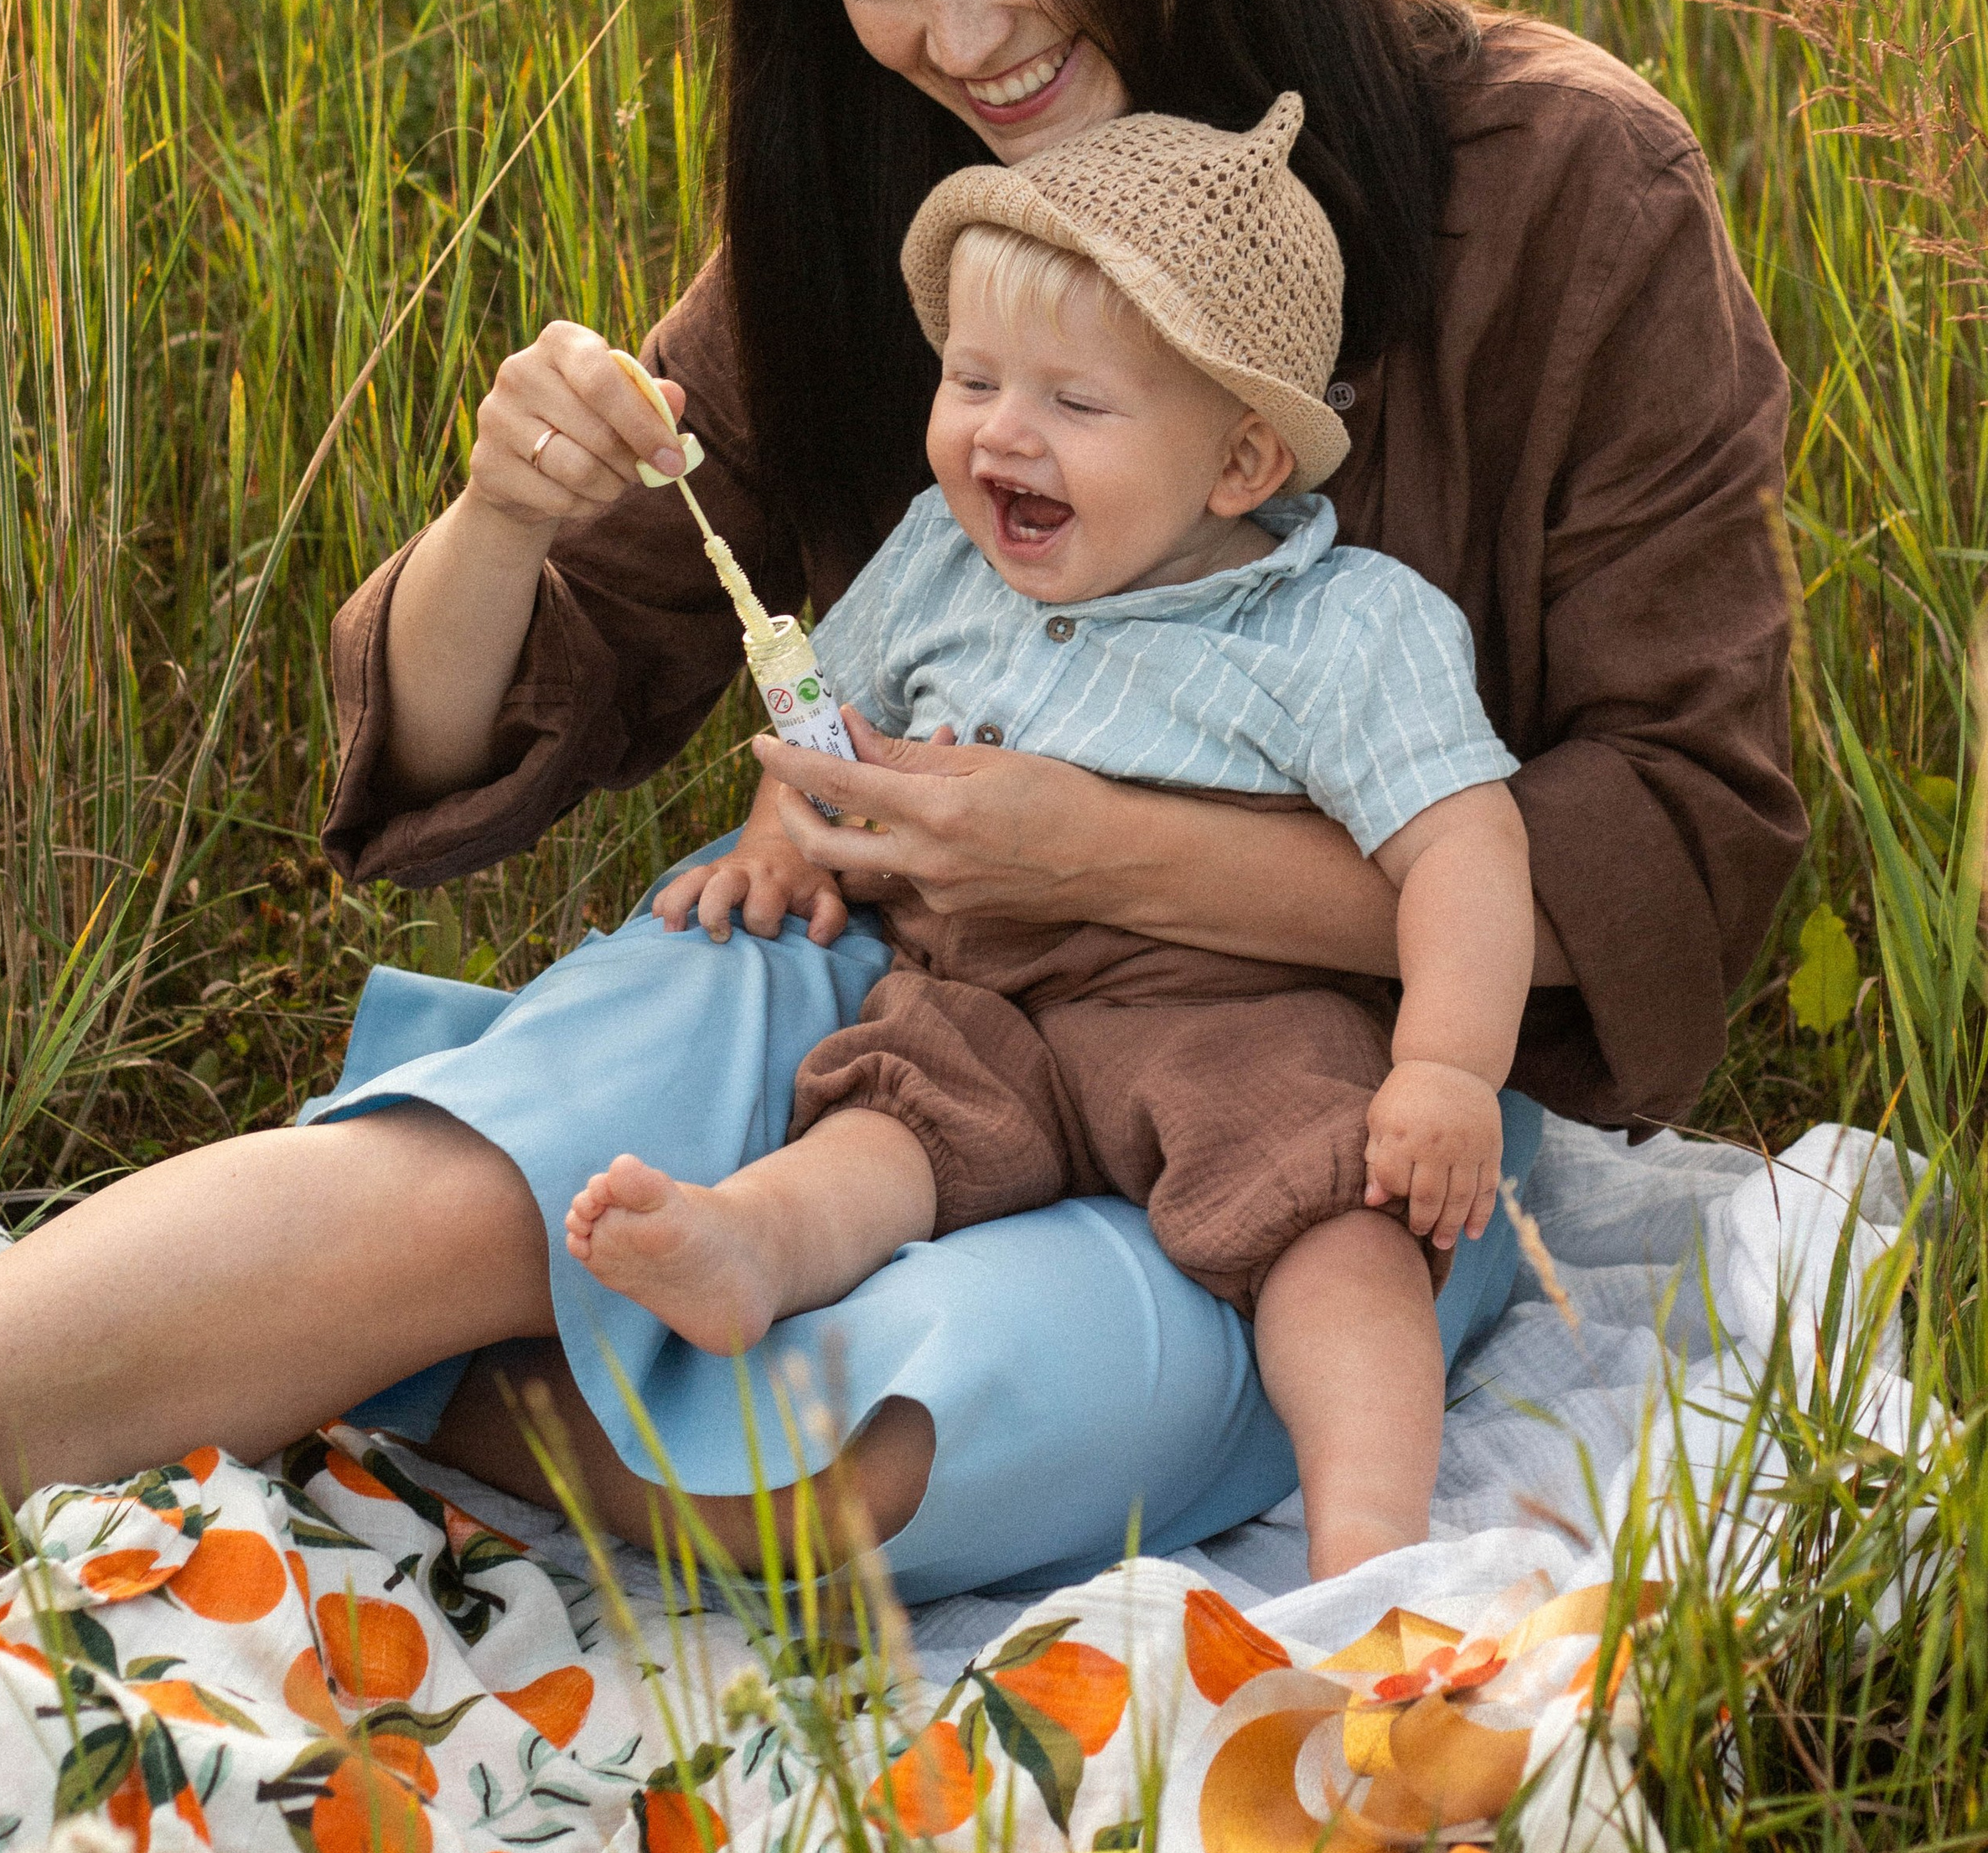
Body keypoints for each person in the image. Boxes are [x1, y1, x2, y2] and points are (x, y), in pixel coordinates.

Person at [0, 0, 1802, 1597]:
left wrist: (1112, 858)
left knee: (871, 1465)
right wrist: (500, 518)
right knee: (473, 1176)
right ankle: (265, 1327)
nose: (961, 40)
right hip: (893, 988)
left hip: (1296, 1092)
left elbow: (1686, 823)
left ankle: (406, 1367)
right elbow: (476, 723)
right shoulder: (902, 199)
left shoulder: (1562, 184)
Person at [567, 101, 1535, 1581]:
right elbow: (833, 708)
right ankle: (749, 1247)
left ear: (1237, 462)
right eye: (971, 380)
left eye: (1076, 405)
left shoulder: (1342, 626)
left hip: (1231, 1013)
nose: (999, 433)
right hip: (979, 992)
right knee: (888, 1121)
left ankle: (1369, 1541)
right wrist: (783, 829)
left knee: (1334, 1225)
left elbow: (1466, 847)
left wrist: (1448, 1067)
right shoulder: (945, 561)